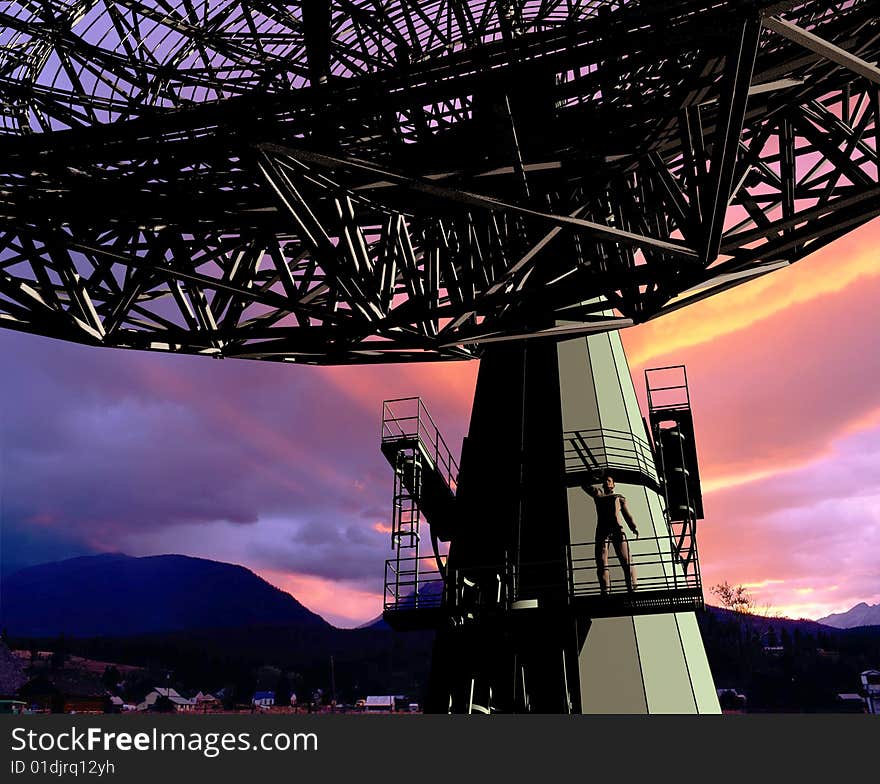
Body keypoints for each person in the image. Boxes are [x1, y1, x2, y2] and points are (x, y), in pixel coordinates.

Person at [582, 471, 639, 595]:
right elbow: (585, 486)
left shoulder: (619, 497)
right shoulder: (598, 495)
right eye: (605, 481)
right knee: (602, 561)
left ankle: (632, 589)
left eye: (609, 481)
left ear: (613, 484)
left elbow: (627, 515)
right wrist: (591, 476)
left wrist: (633, 527)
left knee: (626, 560)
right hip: (602, 530)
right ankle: (605, 591)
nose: (606, 482)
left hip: (617, 530)